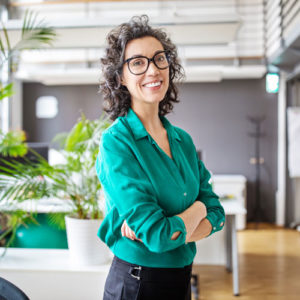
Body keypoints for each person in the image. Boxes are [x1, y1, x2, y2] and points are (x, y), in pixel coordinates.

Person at [95, 15, 225, 300]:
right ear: (121, 77)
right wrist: (198, 210)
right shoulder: (117, 142)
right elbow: (158, 235)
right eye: (138, 62)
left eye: (159, 59)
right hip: (137, 283)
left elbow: (218, 214)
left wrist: (183, 221)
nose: (153, 70)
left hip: (181, 279)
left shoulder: (183, 140)